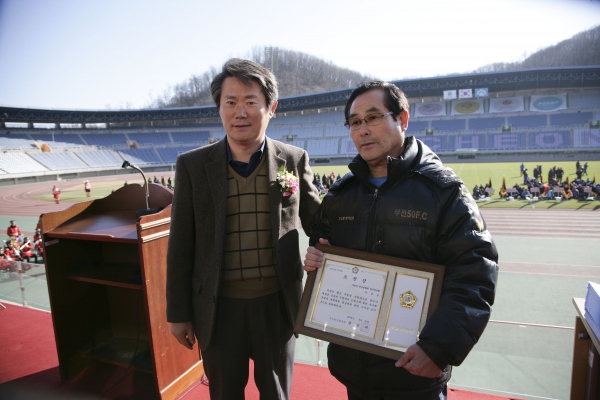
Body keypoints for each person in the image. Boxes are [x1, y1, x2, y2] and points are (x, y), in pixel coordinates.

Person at [304, 81, 498, 400]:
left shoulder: (445, 193)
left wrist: (438, 349)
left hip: (415, 374)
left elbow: (474, 276)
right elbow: (323, 248)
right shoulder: (341, 195)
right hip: (354, 367)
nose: (363, 129)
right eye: (355, 122)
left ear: (402, 119)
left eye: (373, 117)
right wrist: (316, 262)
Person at [166, 58, 321, 400]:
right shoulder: (192, 166)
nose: (240, 112)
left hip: (277, 306)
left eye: (251, 102)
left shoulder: (293, 160)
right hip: (218, 308)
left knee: (276, 393)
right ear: (219, 108)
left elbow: (320, 226)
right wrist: (178, 313)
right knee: (224, 394)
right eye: (230, 102)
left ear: (271, 108)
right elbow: (180, 245)